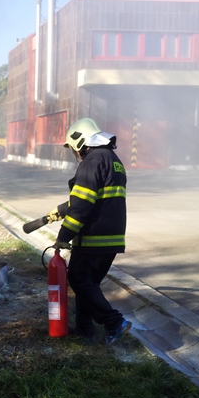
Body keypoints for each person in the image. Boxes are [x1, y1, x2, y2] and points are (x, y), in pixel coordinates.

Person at [47, 118, 131, 345]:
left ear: (80, 141)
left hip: (94, 237)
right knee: (88, 284)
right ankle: (85, 331)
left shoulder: (91, 162)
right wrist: (62, 210)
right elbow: (97, 198)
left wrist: (63, 237)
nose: (74, 153)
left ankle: (114, 322)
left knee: (79, 279)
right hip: (112, 238)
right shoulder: (113, 160)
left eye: (73, 148)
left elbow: (82, 204)